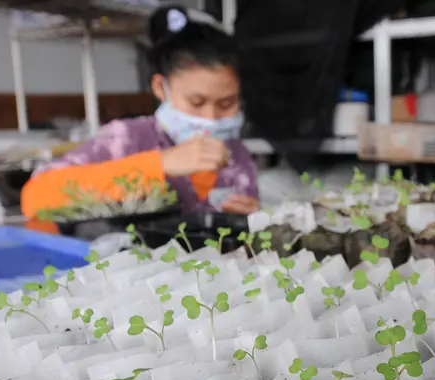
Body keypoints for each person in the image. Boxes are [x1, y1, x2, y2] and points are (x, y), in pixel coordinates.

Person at [20, 5, 259, 223]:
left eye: (227, 103)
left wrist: (250, 218)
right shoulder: (127, 139)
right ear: (160, 88)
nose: (211, 117)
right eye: (196, 102)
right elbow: (36, 198)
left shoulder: (236, 155)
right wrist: (160, 164)